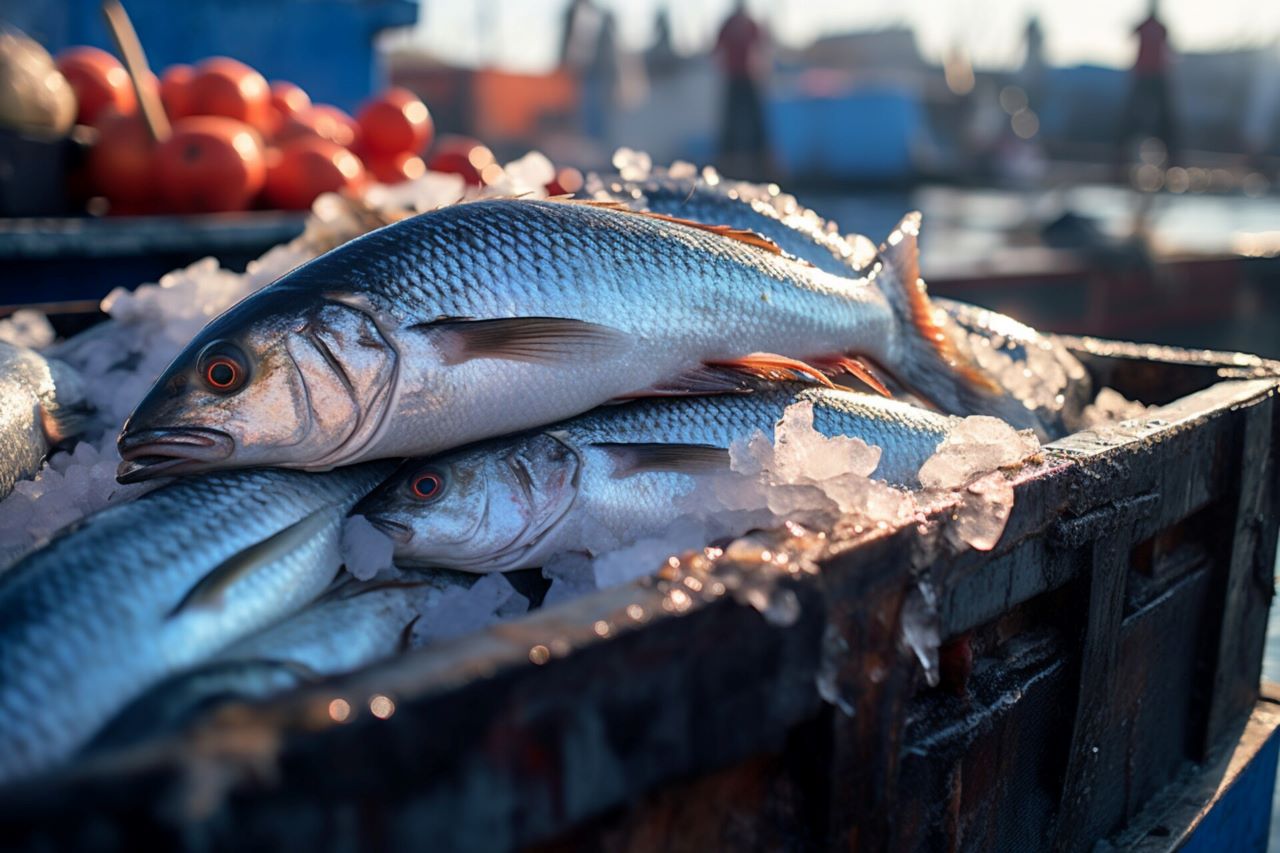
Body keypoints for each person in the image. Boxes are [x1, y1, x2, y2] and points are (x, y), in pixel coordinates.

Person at [1118, 1, 1178, 165]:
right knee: (1130, 115)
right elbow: (1129, 35)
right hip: (1142, 74)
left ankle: (1173, 155)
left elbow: (1169, 47)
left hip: (1158, 74)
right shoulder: (1143, 25)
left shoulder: (1161, 27)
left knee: (1166, 117)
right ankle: (1121, 154)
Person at [714, 0, 769, 174]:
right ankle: (727, 158)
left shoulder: (750, 24)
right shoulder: (728, 24)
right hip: (732, 77)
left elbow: (761, 47)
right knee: (730, 119)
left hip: (749, 76)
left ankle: (761, 157)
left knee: (756, 118)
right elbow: (717, 49)